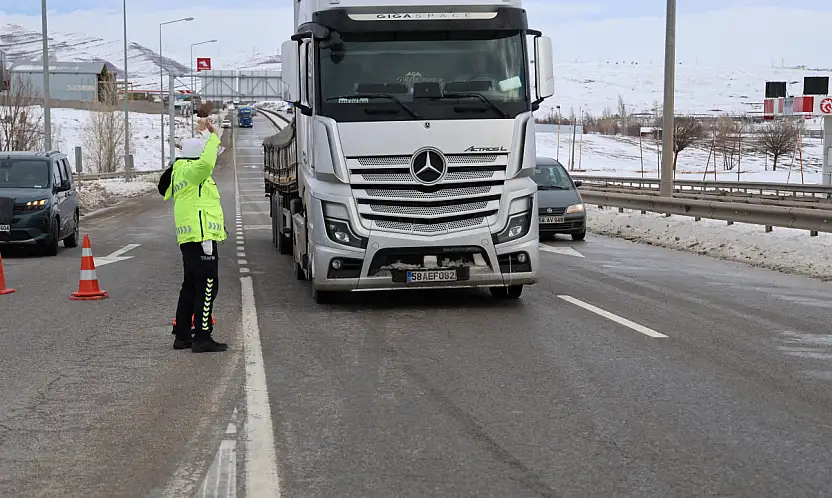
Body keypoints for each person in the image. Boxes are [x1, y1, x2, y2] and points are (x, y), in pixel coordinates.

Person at [157, 118, 228, 353]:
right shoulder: (195, 171)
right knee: (208, 286)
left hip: (189, 239)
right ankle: (203, 337)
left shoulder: (179, 172)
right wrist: (213, 135)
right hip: (202, 238)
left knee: (190, 287)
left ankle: (183, 336)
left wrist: (205, 136)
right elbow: (208, 161)